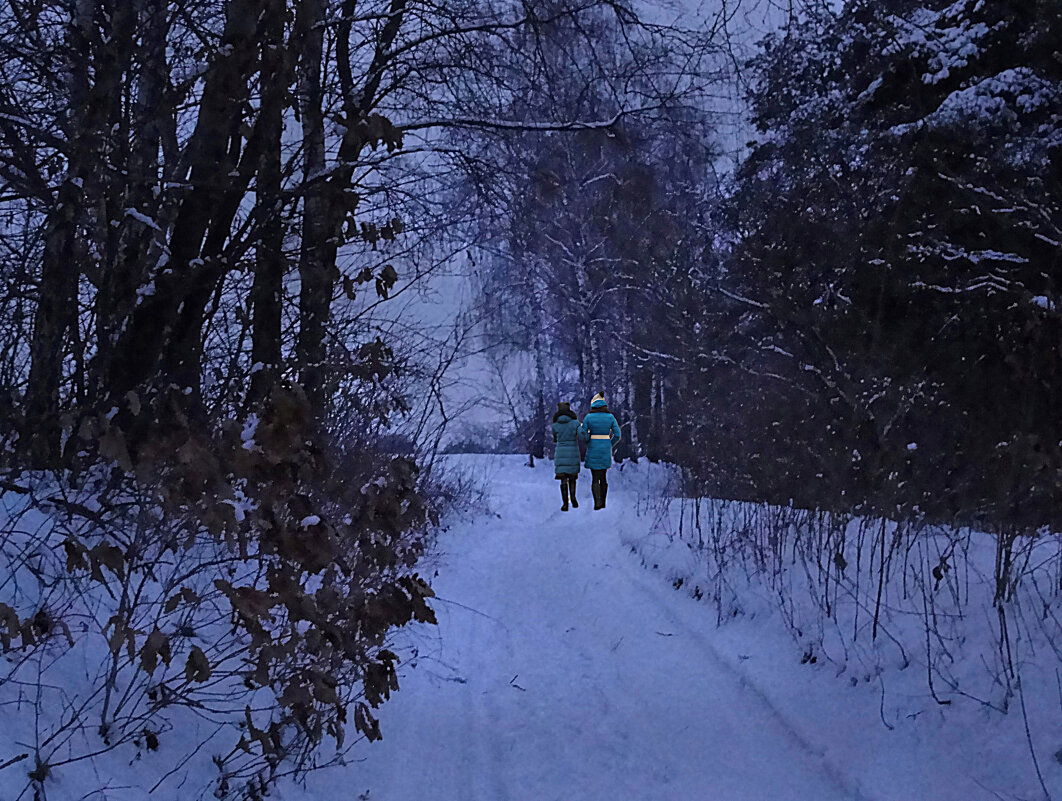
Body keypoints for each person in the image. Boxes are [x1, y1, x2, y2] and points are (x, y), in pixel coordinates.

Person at [579, 392, 621, 510]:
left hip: (593, 448)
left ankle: (597, 502)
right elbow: (617, 434)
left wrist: (588, 442)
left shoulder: (588, 417)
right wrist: (610, 444)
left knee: (594, 477)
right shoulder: (610, 418)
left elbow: (582, 434)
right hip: (605, 449)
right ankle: (603, 502)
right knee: (603, 476)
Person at [552, 401, 583, 511]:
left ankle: (565, 503)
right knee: (572, 478)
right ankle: (573, 499)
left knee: (563, 479)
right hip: (573, 453)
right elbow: (582, 434)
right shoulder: (575, 423)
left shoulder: (555, 425)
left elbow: (555, 438)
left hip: (560, 453)